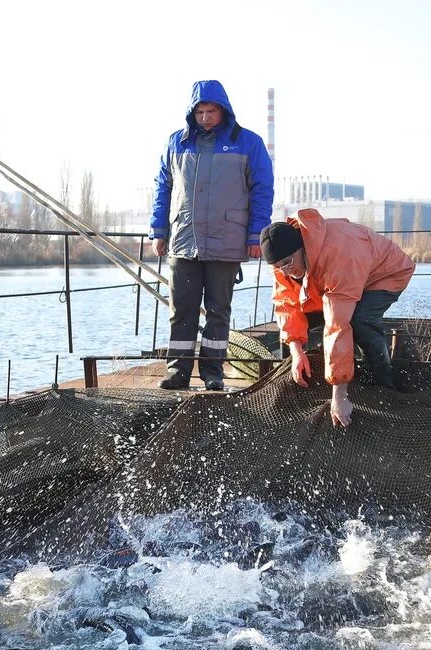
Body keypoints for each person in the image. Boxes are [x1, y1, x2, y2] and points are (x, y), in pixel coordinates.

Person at [150, 80, 274, 391]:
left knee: (218, 310)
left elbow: (262, 190)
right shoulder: (175, 143)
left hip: (227, 240)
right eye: (200, 112)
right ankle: (177, 372)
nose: (206, 117)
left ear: (224, 111)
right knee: (182, 311)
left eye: (211, 111)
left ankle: (213, 373)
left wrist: (255, 235)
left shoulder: (248, 143)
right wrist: (158, 230)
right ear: (192, 113)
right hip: (183, 240)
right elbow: (163, 188)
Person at [261, 210, 415, 427]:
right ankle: (298, 381)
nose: (286, 272)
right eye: (278, 268)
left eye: (288, 263)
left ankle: (383, 385)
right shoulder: (284, 264)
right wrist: (296, 352)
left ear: (302, 246)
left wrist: (338, 397)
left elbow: (337, 326)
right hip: (331, 278)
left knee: (359, 321)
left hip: (385, 273)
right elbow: (286, 306)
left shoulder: (339, 253)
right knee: (295, 329)